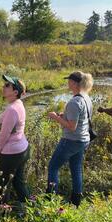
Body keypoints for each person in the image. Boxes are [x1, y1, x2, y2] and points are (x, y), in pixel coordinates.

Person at [47, 71, 93, 207]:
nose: (67, 83)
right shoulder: (86, 98)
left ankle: (51, 200)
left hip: (71, 140)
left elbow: (72, 127)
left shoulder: (74, 101)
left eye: (69, 81)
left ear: (74, 83)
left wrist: (56, 117)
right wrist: (64, 115)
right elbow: (81, 118)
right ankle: (76, 201)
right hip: (83, 140)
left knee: (53, 167)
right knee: (76, 168)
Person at [0, 75, 30, 205]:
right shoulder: (18, 104)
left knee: (3, 184)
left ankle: (1, 214)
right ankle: (28, 207)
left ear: (15, 92)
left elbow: (4, 134)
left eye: (7, 85)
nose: (4, 87)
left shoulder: (12, 109)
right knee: (18, 181)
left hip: (11, 153)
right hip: (22, 149)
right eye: (4, 84)